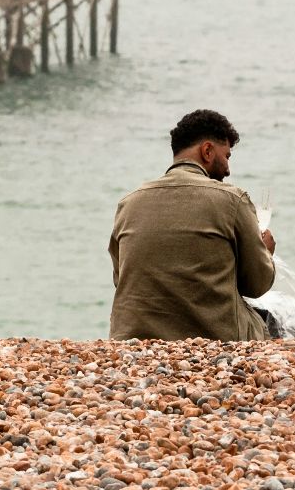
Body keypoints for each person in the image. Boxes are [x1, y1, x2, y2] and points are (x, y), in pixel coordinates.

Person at [109, 109, 277, 340]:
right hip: (213, 338)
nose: (228, 169)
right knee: (269, 323)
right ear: (207, 150)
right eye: (226, 156)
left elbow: (122, 278)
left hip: (132, 341)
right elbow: (256, 286)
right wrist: (265, 253)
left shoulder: (128, 203)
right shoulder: (231, 200)